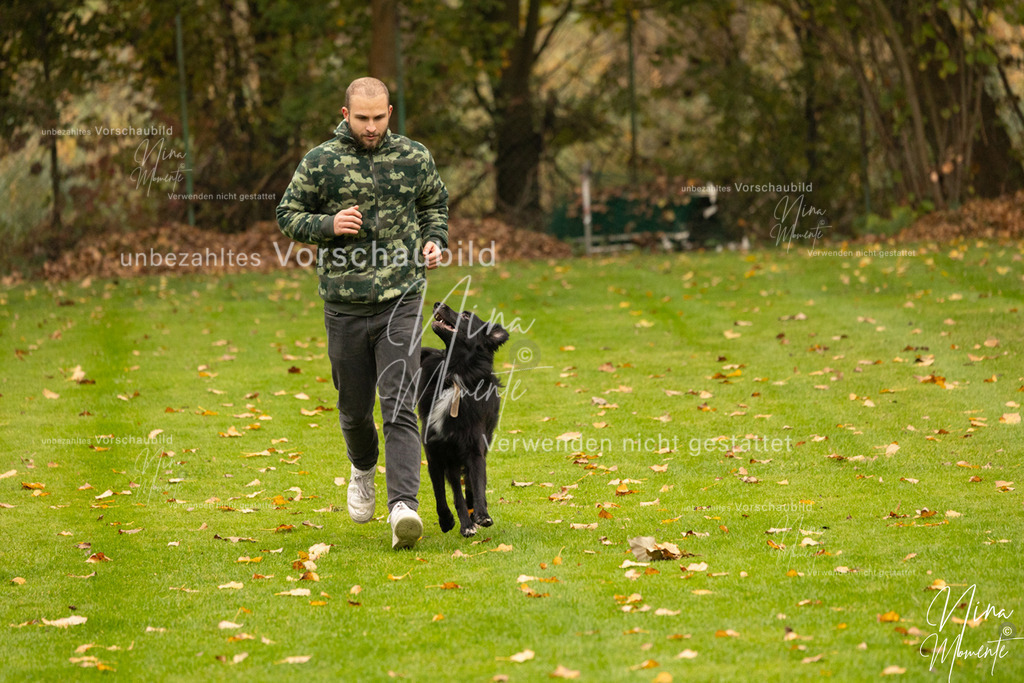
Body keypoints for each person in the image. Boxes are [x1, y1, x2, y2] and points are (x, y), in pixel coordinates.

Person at [276, 76, 448, 549]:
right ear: (345, 113)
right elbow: (287, 213)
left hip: (402, 298)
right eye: (361, 118)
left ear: (390, 112)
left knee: (398, 404)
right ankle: (362, 468)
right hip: (345, 305)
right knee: (354, 412)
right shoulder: (320, 162)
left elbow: (435, 204)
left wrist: (435, 240)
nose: (370, 127)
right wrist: (327, 224)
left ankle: (403, 509)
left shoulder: (414, 157)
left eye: (378, 118)